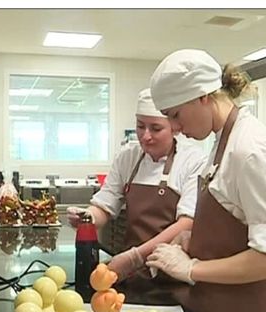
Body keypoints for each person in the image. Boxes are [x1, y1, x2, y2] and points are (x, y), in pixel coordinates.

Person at [146, 49, 266, 285]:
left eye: (175, 115)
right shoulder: (222, 141)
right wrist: (196, 239)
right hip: (219, 305)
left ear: (203, 96)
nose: (174, 127)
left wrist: (192, 269)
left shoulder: (248, 150)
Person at [67, 88, 207, 281]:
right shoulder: (128, 158)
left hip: (171, 271)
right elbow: (105, 205)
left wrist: (136, 257)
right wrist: (87, 217)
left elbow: (187, 223)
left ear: (175, 127)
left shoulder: (192, 160)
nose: (145, 136)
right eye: (140, 126)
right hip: (130, 273)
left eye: (156, 129)